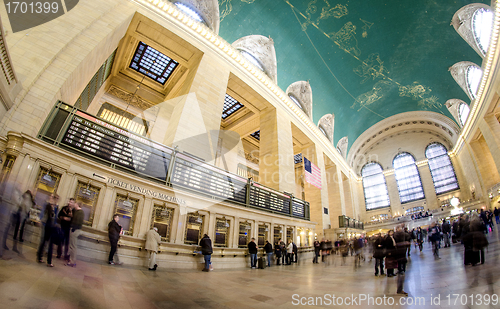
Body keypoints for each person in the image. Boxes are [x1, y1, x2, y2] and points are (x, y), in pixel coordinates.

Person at [37, 194, 58, 267]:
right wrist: (40, 221)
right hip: (46, 225)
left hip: (52, 227)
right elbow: (43, 214)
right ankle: (39, 256)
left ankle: (49, 261)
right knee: (43, 242)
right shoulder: (47, 205)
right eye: (52, 197)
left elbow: (55, 218)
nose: (53, 199)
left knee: (50, 244)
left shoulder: (55, 207)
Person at [394, 225, 411, 296]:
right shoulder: (400, 235)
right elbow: (408, 237)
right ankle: (399, 289)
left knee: (401, 271)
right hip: (401, 254)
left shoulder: (395, 235)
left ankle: (400, 289)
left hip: (400, 255)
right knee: (401, 273)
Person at [66, 201, 83, 267]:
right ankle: (71, 260)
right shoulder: (77, 212)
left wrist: (73, 229)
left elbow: (78, 222)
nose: (74, 204)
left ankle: (72, 261)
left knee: (73, 246)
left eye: (75, 203)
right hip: (74, 229)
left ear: (78, 204)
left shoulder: (80, 213)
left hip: (75, 230)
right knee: (71, 245)